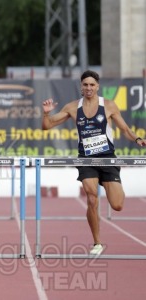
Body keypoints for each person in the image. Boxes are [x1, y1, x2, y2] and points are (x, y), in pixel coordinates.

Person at [42, 70, 146, 255]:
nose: (89, 88)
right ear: (81, 87)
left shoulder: (108, 105)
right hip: (86, 158)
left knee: (117, 205)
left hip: (107, 157)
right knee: (91, 198)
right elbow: (47, 126)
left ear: (97, 86)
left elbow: (124, 129)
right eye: (85, 85)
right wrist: (46, 114)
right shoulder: (73, 107)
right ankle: (97, 243)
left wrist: (138, 139)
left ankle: (114, 186)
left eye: (92, 85)